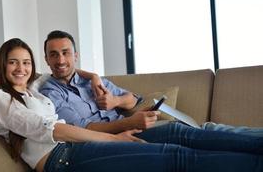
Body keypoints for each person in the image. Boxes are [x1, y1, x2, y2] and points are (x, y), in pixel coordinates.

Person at [0, 38, 263, 172]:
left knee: (182, 140)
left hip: (78, 147)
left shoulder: (34, 89)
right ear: (2, 65)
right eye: (13, 62)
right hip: (61, 159)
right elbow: (53, 130)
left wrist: (91, 76)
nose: (20, 68)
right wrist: (113, 138)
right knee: (174, 156)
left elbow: (62, 69)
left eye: (25, 62)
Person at [39, 30, 263, 138]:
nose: (60, 60)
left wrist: (116, 100)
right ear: (47, 59)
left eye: (65, 53)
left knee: (206, 128)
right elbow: (83, 129)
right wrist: (129, 123)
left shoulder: (90, 81)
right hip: (123, 136)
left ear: (75, 56)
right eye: (54, 55)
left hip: (133, 126)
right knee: (188, 131)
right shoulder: (49, 93)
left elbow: (134, 98)